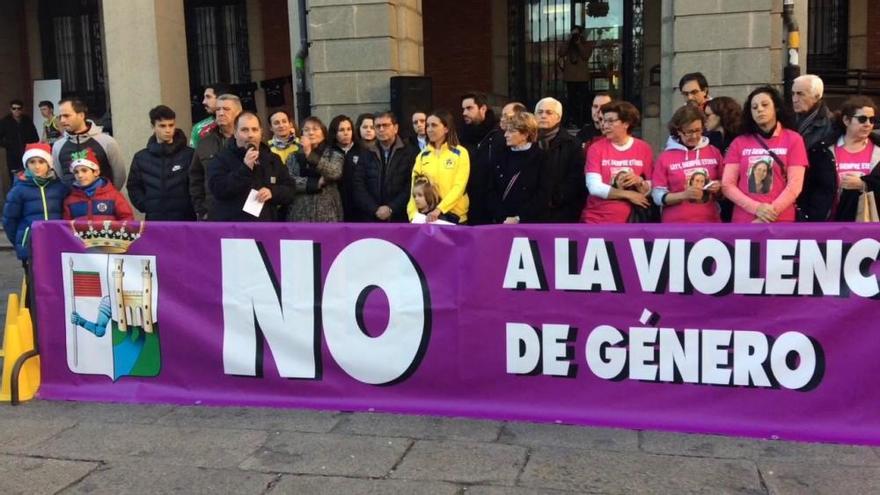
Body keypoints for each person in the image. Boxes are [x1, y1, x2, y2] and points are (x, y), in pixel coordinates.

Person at [722, 86, 808, 223]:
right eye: (754, 107)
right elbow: (727, 185)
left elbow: (795, 185)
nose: (759, 110)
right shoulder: (739, 142)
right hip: (745, 220)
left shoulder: (794, 139)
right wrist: (757, 209)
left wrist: (769, 213)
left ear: (776, 108)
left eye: (765, 105)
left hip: (780, 219)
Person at [206, 111, 295, 222]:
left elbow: (290, 190)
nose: (250, 135)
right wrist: (246, 168)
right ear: (235, 132)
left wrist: (273, 192)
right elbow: (218, 189)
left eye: (254, 129)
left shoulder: (272, 159)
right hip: (233, 228)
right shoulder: (221, 159)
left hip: (265, 227)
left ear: (261, 132)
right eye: (244, 130)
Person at [806, 96, 880, 221]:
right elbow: (810, 188)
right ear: (846, 120)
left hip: (869, 225)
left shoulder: (877, 149)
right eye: (862, 119)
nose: (868, 124)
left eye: (872, 120)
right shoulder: (823, 150)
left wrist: (864, 185)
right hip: (829, 223)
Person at [582, 100, 654, 223]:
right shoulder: (595, 148)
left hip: (631, 222)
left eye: (610, 121)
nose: (605, 125)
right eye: (604, 121)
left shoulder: (643, 148)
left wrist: (639, 181)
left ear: (626, 123)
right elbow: (594, 187)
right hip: (597, 219)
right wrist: (628, 195)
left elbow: (652, 185)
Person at [651, 105, 723, 223]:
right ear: (678, 131)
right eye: (689, 132)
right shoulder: (665, 157)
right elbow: (657, 196)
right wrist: (683, 195)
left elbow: (726, 183)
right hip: (676, 224)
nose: (694, 136)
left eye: (698, 130)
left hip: (710, 221)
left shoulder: (713, 151)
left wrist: (718, 186)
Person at [126, 105, 196, 221]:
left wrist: (192, 205)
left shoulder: (189, 154)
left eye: (171, 125)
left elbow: (197, 184)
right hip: (154, 220)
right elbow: (133, 187)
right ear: (153, 126)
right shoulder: (141, 157)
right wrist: (146, 205)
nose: (168, 130)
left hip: (185, 220)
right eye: (162, 126)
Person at [3, 143, 67, 265]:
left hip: (57, 244)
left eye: (41, 162)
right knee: (34, 282)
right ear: (26, 165)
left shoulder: (59, 188)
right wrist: (21, 241)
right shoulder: (18, 190)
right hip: (31, 247)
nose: (37, 166)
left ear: (49, 164)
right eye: (32, 162)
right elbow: (9, 220)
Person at [352, 111, 418, 222]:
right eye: (377, 126)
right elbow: (358, 184)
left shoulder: (410, 152)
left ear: (396, 128)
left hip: (400, 216)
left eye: (385, 125)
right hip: (371, 216)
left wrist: (392, 208)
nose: (381, 129)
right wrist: (374, 209)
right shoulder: (366, 153)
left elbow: (411, 185)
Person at [407, 110, 470, 223]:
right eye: (428, 126)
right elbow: (414, 188)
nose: (429, 129)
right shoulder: (422, 156)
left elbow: (459, 187)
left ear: (446, 128)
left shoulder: (460, 153)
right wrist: (412, 215)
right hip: (427, 218)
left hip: (454, 217)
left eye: (434, 125)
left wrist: (439, 209)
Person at [52, 97, 127, 190]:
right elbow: (61, 176)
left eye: (66, 116)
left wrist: (108, 196)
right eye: (60, 116)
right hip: (72, 202)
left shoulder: (107, 142)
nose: (62, 120)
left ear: (81, 115)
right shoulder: (58, 146)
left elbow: (119, 175)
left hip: (104, 201)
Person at [533, 97, 586, 222]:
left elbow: (575, 179)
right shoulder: (526, 140)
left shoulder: (572, 144)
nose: (543, 116)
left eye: (549, 112)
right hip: (530, 211)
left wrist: (554, 199)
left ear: (558, 117)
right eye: (540, 112)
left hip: (560, 212)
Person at [189, 93, 241, 220]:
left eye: (226, 109)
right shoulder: (205, 142)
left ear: (239, 113)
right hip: (212, 213)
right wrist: (201, 209)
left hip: (242, 213)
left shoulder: (247, 140)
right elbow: (195, 176)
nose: (221, 113)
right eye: (218, 109)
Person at [486, 111, 544, 224]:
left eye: (511, 131)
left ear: (525, 134)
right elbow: (490, 190)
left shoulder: (541, 157)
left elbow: (542, 193)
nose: (505, 135)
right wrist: (502, 217)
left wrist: (519, 218)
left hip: (529, 223)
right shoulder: (499, 156)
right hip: (501, 222)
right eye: (506, 130)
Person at [287, 116, 345, 222]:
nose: (311, 133)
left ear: (323, 133)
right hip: (300, 211)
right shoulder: (293, 156)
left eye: (315, 129)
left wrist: (310, 154)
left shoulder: (334, 154)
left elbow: (335, 172)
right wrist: (315, 183)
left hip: (328, 212)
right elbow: (289, 180)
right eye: (307, 130)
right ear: (301, 134)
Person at [464, 94, 508, 225]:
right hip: (469, 201)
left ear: (482, 109)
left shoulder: (499, 134)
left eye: (469, 108)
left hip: (493, 202)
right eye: (463, 109)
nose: (464, 113)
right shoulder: (462, 135)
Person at [63, 148, 134, 221]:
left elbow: (127, 219)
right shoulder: (70, 200)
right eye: (76, 172)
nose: (80, 175)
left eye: (84, 170)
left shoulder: (114, 196)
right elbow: (66, 227)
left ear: (96, 172)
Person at [557, 25, 595, 127]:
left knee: (583, 100)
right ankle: (572, 120)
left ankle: (584, 120)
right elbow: (561, 53)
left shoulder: (586, 44)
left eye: (577, 34)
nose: (575, 36)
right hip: (570, 78)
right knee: (571, 101)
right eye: (573, 33)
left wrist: (578, 43)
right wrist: (569, 40)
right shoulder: (568, 44)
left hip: (582, 78)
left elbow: (585, 55)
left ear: (582, 34)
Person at [0, 99, 40, 186]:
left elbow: (35, 136)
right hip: (12, 155)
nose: (16, 111)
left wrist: (31, 146)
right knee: (15, 178)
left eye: (19, 108)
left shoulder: (27, 120)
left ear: (22, 109)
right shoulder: (5, 121)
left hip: (27, 154)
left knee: (29, 176)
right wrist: (8, 145)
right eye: (14, 108)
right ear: (10, 109)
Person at [328, 115, 358, 221]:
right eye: (341, 130)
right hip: (335, 201)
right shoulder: (329, 152)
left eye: (349, 129)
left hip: (357, 203)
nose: (346, 133)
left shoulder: (361, 150)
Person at [190, 82, 230, 148]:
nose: (204, 102)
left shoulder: (241, 124)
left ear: (221, 99)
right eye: (204, 97)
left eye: (208, 97)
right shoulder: (199, 128)